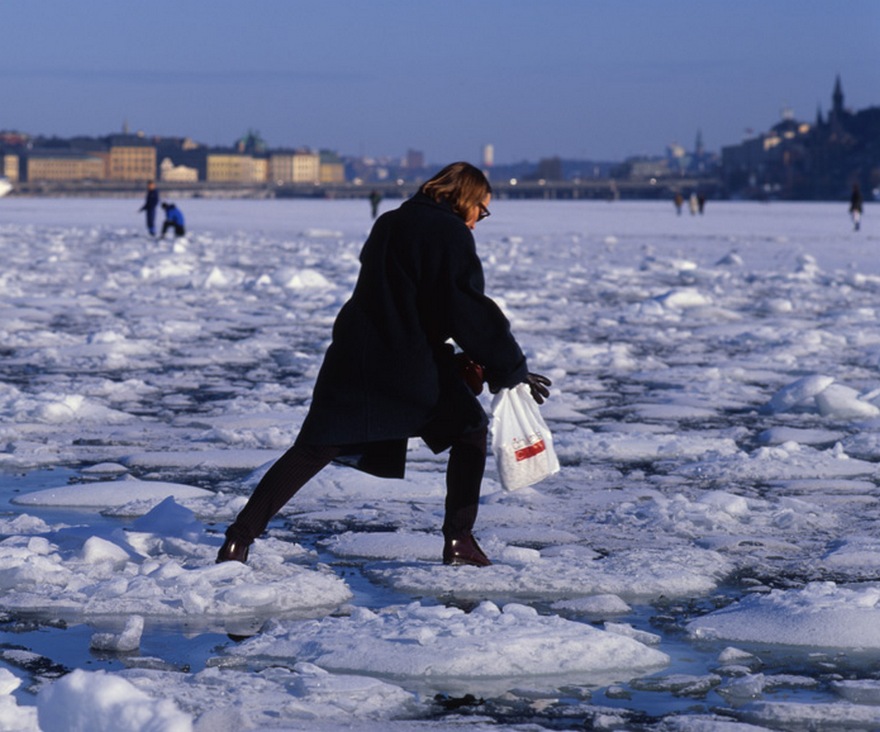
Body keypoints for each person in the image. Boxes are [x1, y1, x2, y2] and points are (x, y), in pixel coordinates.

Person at [216, 162, 551, 568]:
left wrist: (480, 361)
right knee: (470, 431)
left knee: (314, 448)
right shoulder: (449, 232)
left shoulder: (390, 221)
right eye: (481, 210)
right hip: (407, 366)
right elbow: (464, 307)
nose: (479, 220)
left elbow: (409, 301)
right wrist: (510, 367)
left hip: (356, 357)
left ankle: (237, 540)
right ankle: (459, 540)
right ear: (465, 197)